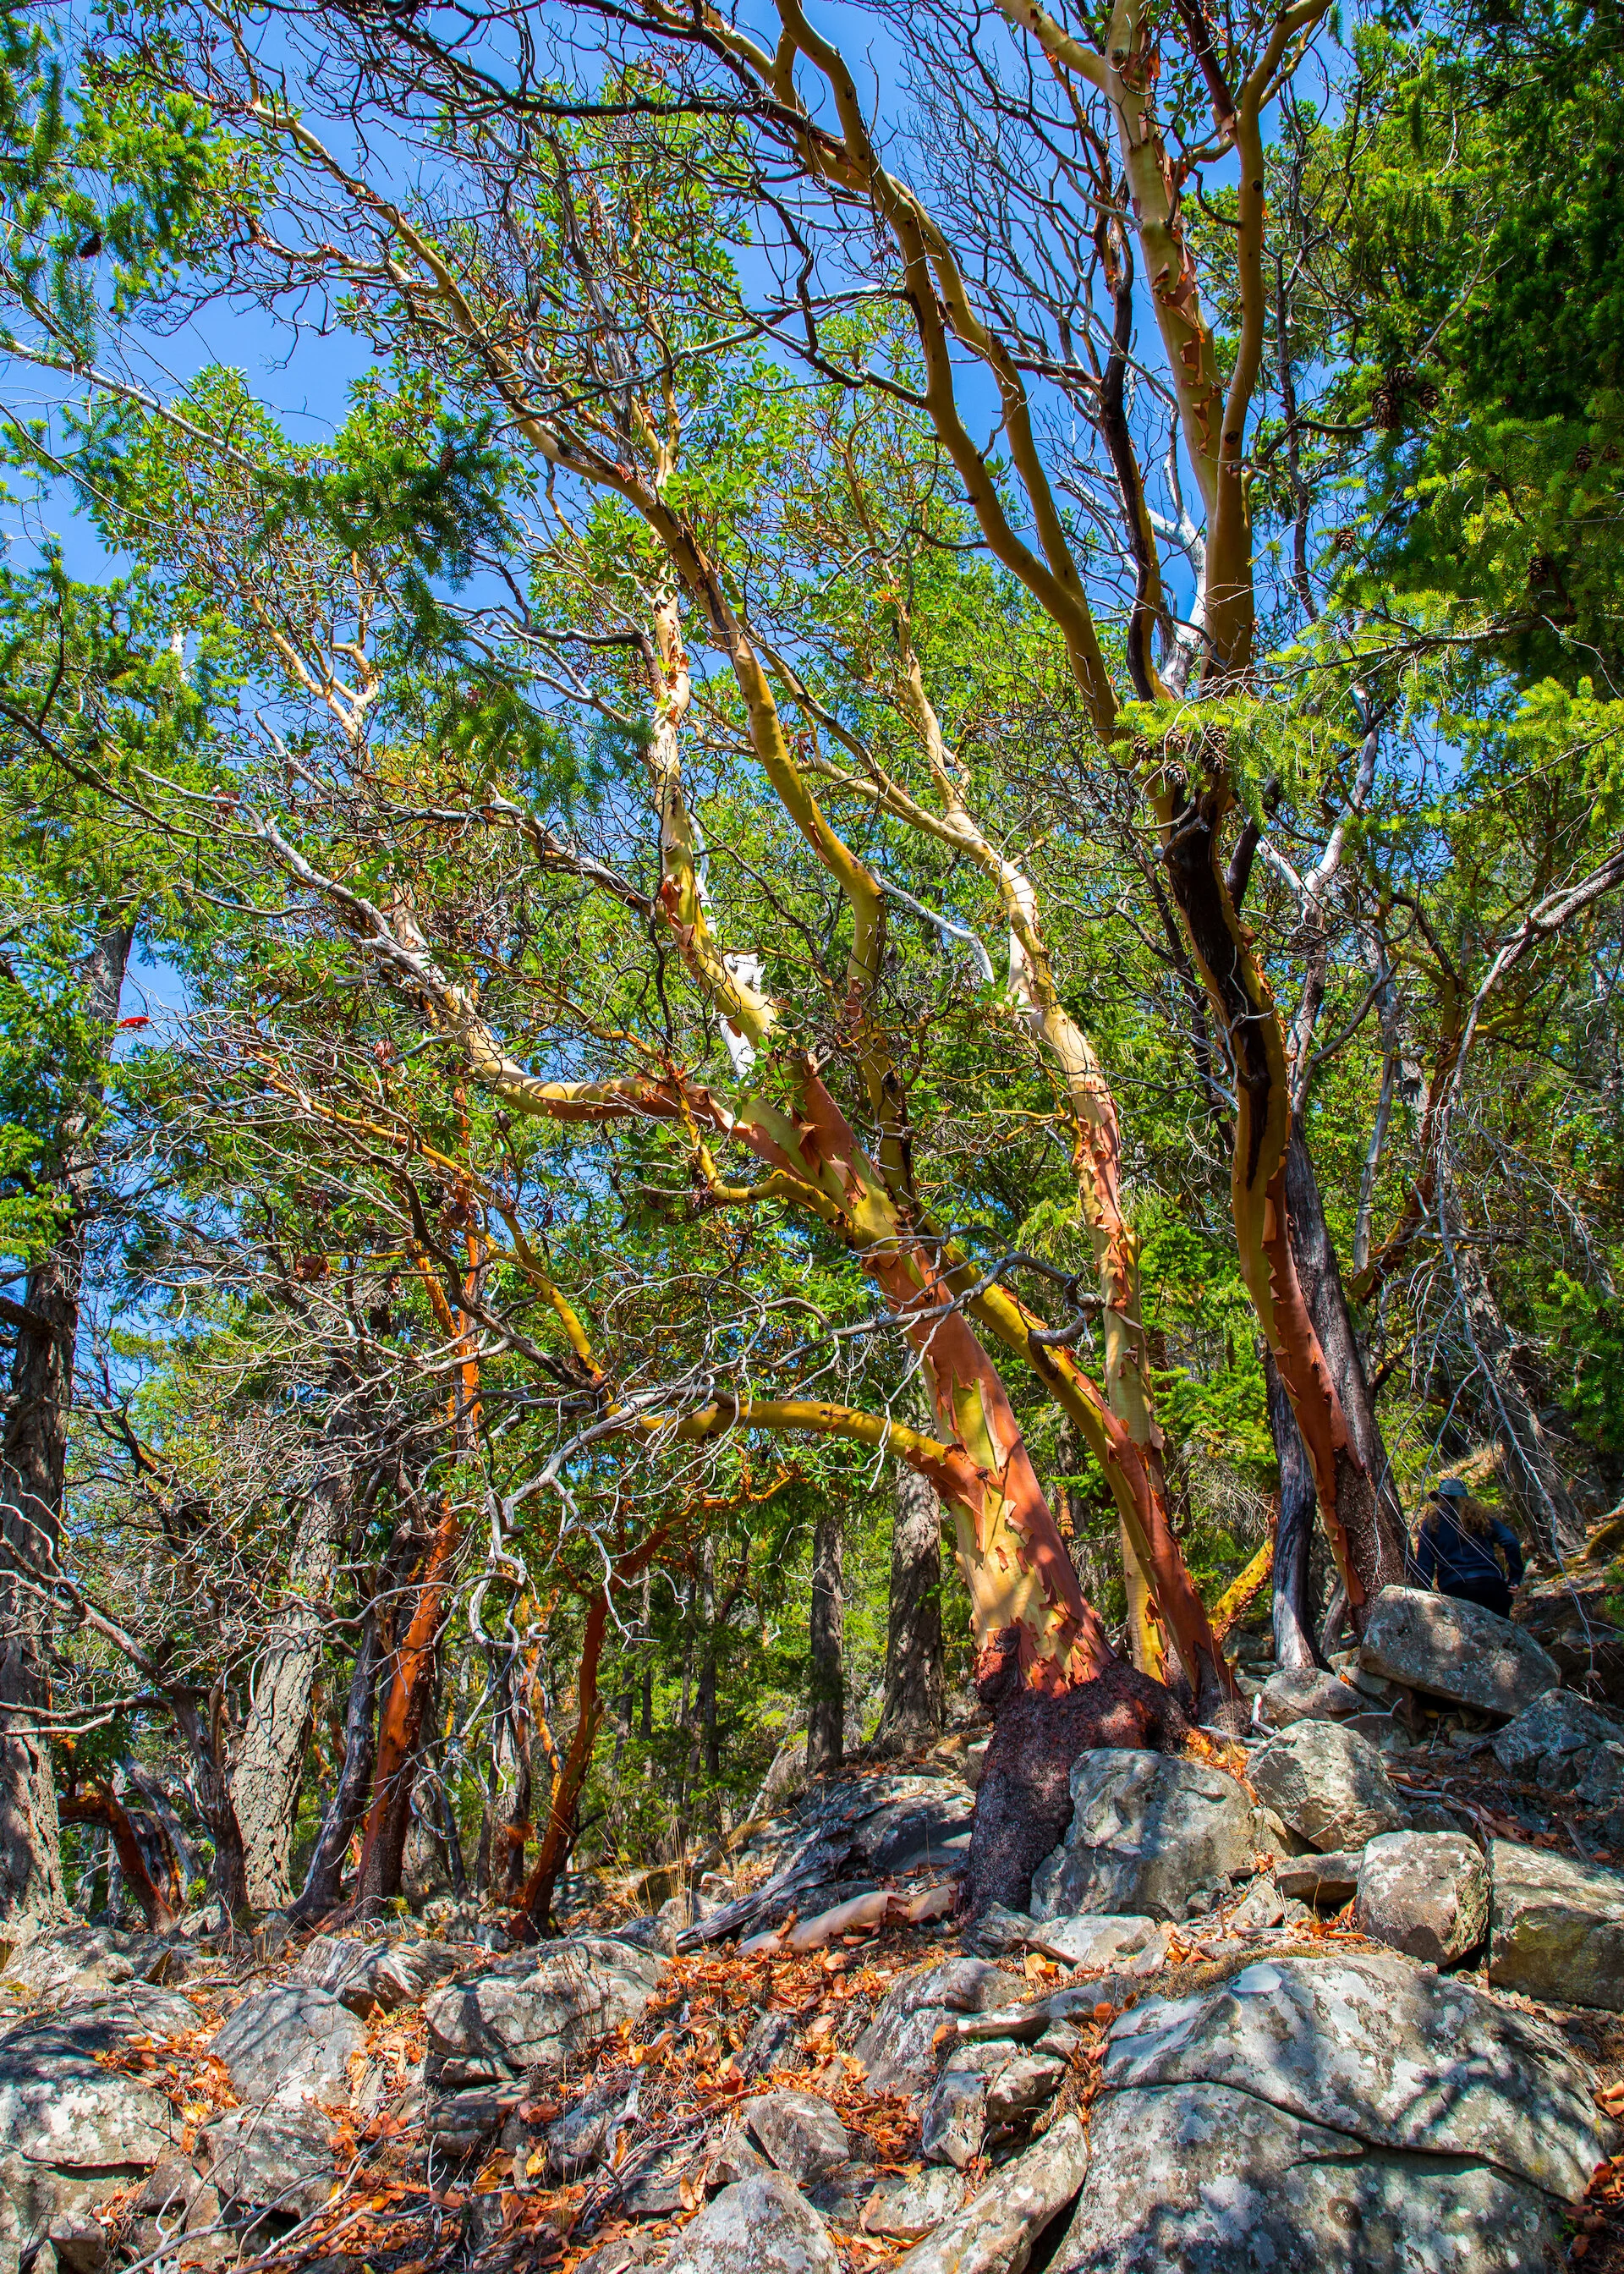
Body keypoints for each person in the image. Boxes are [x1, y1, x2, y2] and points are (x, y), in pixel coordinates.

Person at [1410, 1476, 1525, 1618]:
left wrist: (1424, 1600)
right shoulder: (1482, 1518)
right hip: (1492, 1585)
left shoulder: (1431, 1524)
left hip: (1456, 1589)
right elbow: (1511, 1542)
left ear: (1441, 1499)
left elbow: (1424, 1566)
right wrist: (1514, 1579)